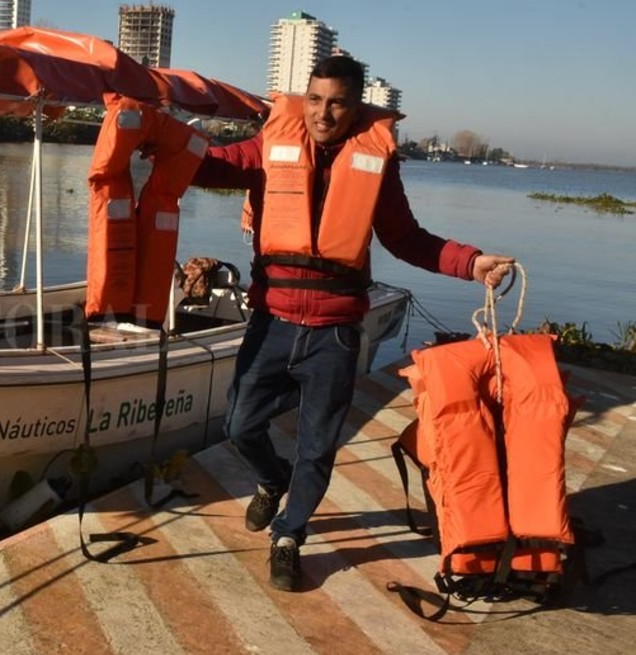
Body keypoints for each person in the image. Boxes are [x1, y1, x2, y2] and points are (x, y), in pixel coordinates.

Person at [189, 55, 515, 591]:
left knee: (317, 447)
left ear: (356, 106)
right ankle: (272, 480)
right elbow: (209, 166)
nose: (322, 112)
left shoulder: (376, 164)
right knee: (238, 425)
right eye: (315, 99)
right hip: (271, 323)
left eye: (336, 102)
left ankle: (290, 537)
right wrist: (157, 138)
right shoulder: (269, 147)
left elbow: (408, 239)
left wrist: (471, 262)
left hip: (335, 334)